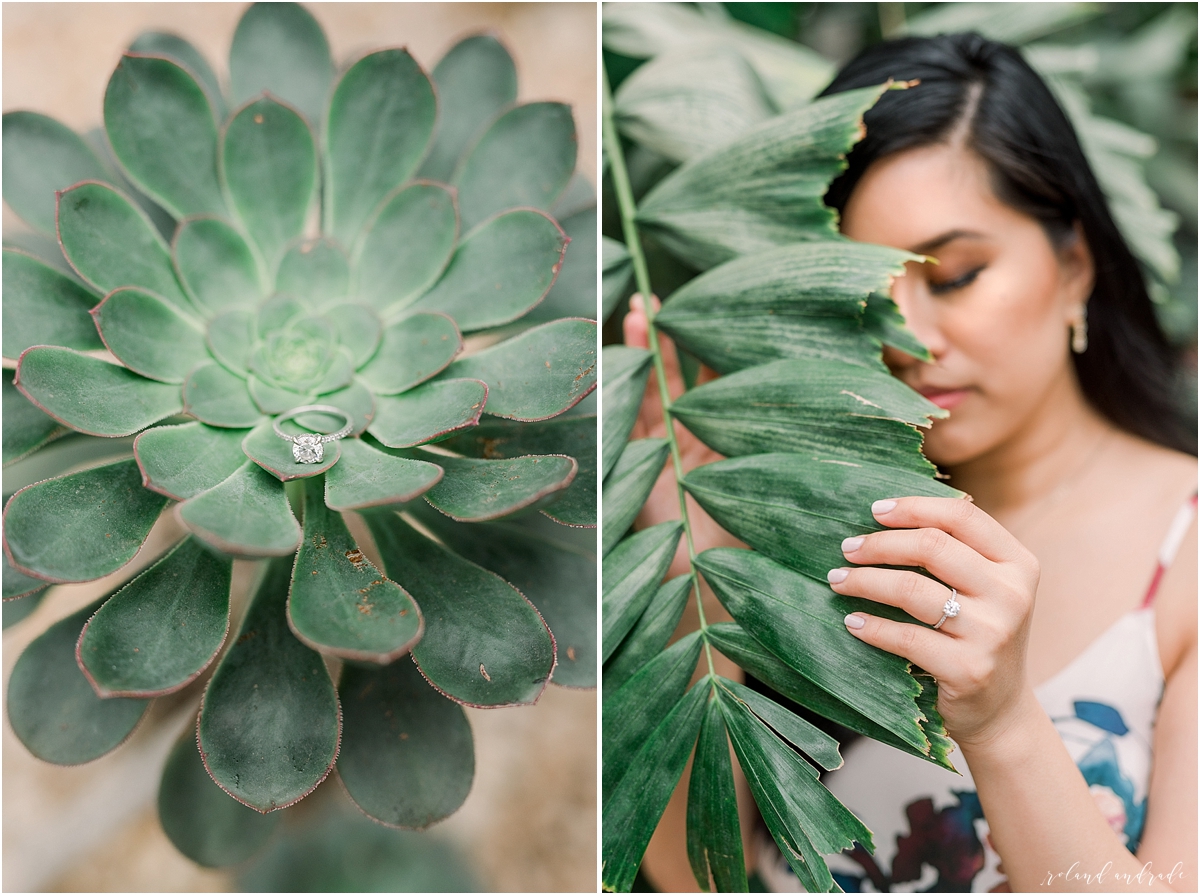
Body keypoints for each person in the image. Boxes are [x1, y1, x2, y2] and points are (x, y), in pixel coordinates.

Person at [623, 32, 1197, 894]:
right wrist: (692, 571)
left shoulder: (1183, 555)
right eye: (865, 298)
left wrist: (1002, 725)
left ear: (1075, 264)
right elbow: (701, 873)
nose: (915, 342)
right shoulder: (807, 523)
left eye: (958, 274)